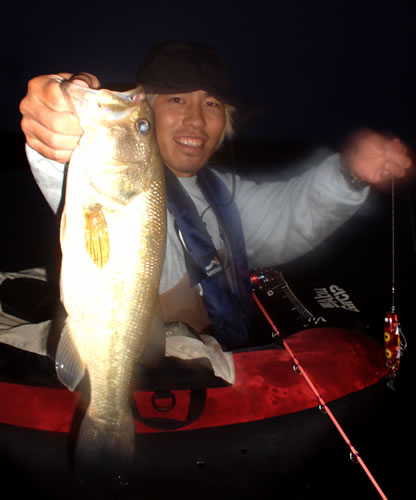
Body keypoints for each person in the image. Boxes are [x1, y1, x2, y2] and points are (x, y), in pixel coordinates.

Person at [19, 41, 412, 351]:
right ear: (147, 112)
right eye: (176, 99)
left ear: (226, 122)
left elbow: (289, 215)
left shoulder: (222, 190)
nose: (196, 118)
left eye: (211, 103)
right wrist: (60, 119)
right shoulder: (108, 176)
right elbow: (69, 169)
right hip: (148, 375)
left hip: (219, 368)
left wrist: (348, 173)